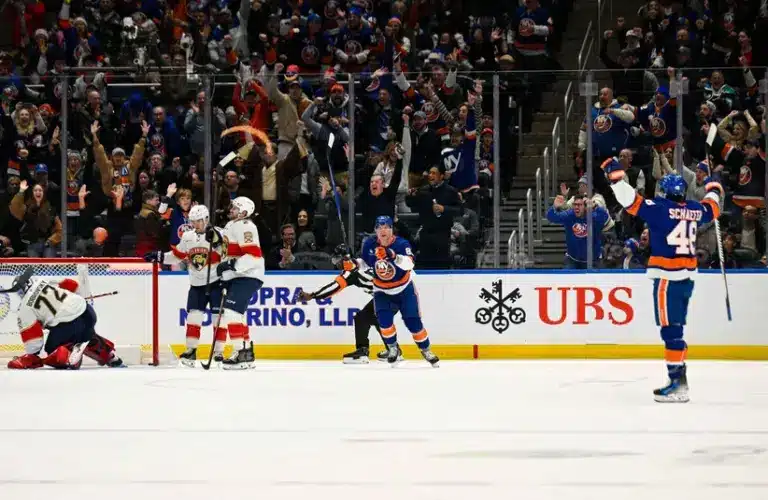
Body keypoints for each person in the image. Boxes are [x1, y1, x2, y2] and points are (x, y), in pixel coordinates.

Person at [602, 158, 723, 403]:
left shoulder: (659, 208)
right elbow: (713, 207)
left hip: (668, 277)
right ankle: (679, 378)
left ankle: (677, 382)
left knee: (671, 330)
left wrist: (614, 174)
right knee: (675, 328)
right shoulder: (695, 209)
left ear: (665, 191)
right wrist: (713, 186)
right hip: (688, 277)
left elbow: (629, 201)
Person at [144, 205, 227, 367]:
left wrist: (217, 243)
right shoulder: (188, 236)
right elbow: (178, 256)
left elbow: (227, 254)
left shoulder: (219, 233)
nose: (195, 224)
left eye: (199, 221)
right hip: (196, 284)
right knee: (193, 317)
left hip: (216, 282)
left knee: (218, 319)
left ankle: (218, 352)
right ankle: (191, 350)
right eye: (193, 221)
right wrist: (160, 256)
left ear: (206, 219)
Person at [3, 267, 124, 370]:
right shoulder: (44, 281)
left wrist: (33, 355)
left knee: (52, 350)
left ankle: (71, 356)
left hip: (70, 325)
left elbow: (33, 339)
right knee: (85, 334)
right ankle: (110, 356)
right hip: (88, 312)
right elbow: (73, 284)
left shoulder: (25, 307)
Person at [358, 216, 439, 367]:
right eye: (379, 227)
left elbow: (410, 263)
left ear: (391, 230)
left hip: (404, 289)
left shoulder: (401, 244)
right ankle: (393, 348)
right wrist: (353, 264)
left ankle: (426, 350)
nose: (383, 230)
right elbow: (365, 263)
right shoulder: (369, 244)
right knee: (384, 321)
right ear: (375, 230)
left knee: (413, 321)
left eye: (386, 227)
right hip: (381, 291)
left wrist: (393, 256)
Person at [297, 244, 392, 364]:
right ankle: (392, 349)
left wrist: (312, 295)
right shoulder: (362, 263)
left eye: (337, 259)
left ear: (345, 258)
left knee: (364, 318)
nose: (336, 264)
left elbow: (334, 287)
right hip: (389, 294)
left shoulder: (350, 272)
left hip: (387, 296)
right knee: (369, 317)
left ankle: (365, 351)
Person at [212, 196, 265, 370]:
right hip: (238, 275)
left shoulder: (246, 226)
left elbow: (253, 254)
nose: (231, 210)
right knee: (237, 314)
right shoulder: (231, 225)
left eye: (235, 208)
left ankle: (240, 352)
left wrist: (231, 265)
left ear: (243, 212)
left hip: (249, 274)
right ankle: (246, 352)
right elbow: (228, 250)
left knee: (231, 311)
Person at [546, 194, 610, 268]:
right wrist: (554, 206)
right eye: (575, 204)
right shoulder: (569, 215)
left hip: (593, 261)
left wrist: (595, 206)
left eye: (579, 205)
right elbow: (551, 217)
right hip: (572, 260)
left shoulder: (593, 217)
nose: (576, 207)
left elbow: (605, 217)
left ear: (585, 207)